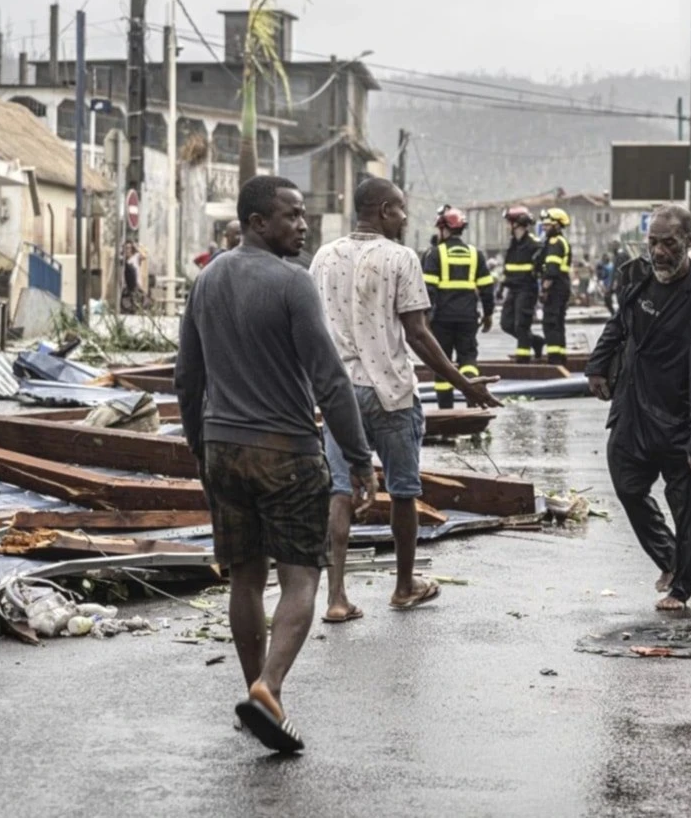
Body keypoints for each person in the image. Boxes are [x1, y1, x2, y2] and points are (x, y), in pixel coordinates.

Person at [175, 175, 378, 754]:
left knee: (245, 576)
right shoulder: (293, 282)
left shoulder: (206, 280)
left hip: (223, 449)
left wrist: (200, 444)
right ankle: (269, 687)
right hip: (286, 451)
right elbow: (330, 379)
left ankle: (257, 697)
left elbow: (187, 376)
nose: (303, 225)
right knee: (300, 576)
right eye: (292, 215)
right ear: (257, 222)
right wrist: (359, 458)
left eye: (303, 214)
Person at [312, 178, 503, 625]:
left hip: (340, 394)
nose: (403, 217)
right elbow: (417, 334)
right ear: (383, 210)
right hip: (391, 392)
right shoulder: (401, 258)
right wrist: (465, 384)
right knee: (403, 491)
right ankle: (403, 587)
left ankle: (336, 598)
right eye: (399, 209)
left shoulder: (323, 257)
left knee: (339, 489)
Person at [585, 204, 691, 610]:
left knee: (685, 508)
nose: (660, 252)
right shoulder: (640, 278)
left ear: (688, 242)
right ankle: (668, 557)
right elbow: (620, 324)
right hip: (633, 407)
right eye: (653, 243)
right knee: (627, 485)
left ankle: (681, 588)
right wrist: (598, 364)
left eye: (669, 243)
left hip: (678, 418)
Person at [422, 207, 495, 409]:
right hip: (468, 318)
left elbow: (428, 290)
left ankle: (446, 409)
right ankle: (473, 401)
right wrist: (488, 314)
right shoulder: (475, 254)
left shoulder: (435, 254)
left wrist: (425, 318)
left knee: (442, 362)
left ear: (443, 229)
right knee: (468, 359)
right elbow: (487, 288)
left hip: (442, 319)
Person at [499, 206, 545, 361]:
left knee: (522, 325)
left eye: (509, 222)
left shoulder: (534, 245)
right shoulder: (513, 244)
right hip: (513, 289)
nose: (507, 226)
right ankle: (536, 341)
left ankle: (523, 358)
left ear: (517, 224)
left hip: (527, 289)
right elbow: (507, 268)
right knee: (506, 324)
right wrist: (501, 288)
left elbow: (544, 266)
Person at [538, 208, 573, 364]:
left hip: (555, 287)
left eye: (548, 225)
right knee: (558, 322)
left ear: (557, 225)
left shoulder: (555, 243)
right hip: (562, 285)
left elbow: (552, 270)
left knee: (550, 322)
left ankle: (554, 358)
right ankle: (560, 355)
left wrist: (545, 289)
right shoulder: (561, 241)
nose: (544, 228)